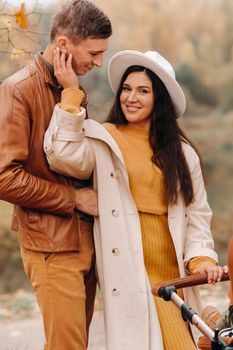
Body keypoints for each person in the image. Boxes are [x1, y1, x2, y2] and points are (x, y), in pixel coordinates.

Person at [44, 49, 225, 350]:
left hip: (173, 277)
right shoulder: (105, 138)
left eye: (143, 91)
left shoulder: (182, 154)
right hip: (128, 270)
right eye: (127, 89)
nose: (131, 98)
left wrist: (202, 258)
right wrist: (71, 94)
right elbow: (62, 156)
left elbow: (197, 216)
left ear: (160, 99)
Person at [0, 1, 112, 349]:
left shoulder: (70, 86)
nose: (98, 63)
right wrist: (74, 198)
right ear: (63, 45)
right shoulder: (18, 89)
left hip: (84, 240)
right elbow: (4, 176)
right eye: (93, 52)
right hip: (51, 245)